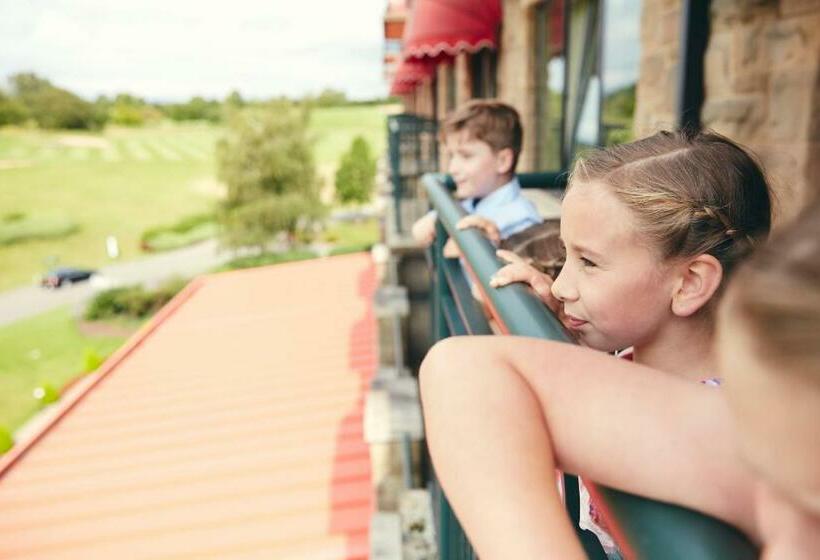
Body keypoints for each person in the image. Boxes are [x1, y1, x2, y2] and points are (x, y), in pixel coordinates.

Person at [419, 128, 774, 557]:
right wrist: (558, 330)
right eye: (566, 254)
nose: (562, 285)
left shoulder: (741, 430)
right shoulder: (628, 358)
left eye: (588, 262)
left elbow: (462, 373)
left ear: (690, 283)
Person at [411, 100, 542, 251]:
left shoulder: (522, 223)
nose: (452, 168)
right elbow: (420, 231)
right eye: (452, 156)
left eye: (466, 156)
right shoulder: (473, 200)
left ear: (503, 161)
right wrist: (433, 222)